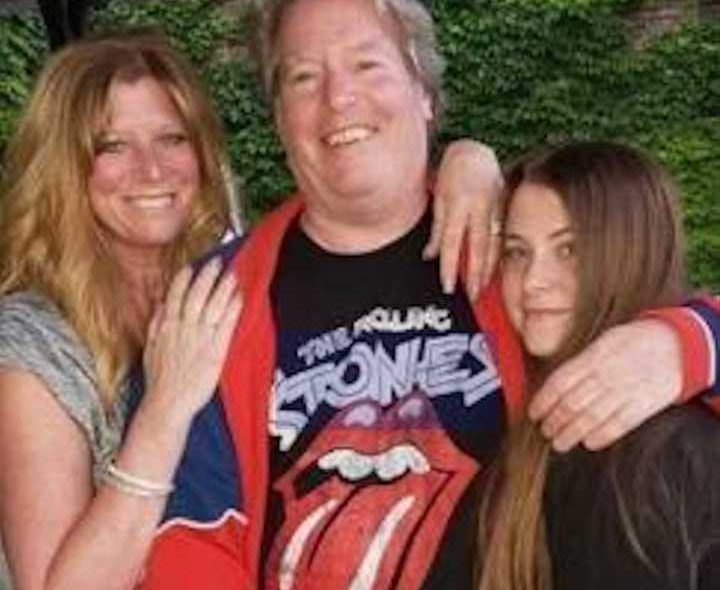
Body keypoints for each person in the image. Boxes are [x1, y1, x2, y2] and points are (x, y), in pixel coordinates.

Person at [138, 0, 720, 590]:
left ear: (422, 89)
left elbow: (637, 299)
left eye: (366, 64)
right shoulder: (215, 297)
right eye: (303, 78)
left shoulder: (512, 237)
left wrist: (681, 343)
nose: (339, 99)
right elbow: (188, 531)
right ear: (279, 116)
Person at [0, 30, 501, 590]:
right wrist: (164, 410)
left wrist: (469, 161)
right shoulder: (33, 344)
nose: (152, 170)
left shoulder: (238, 278)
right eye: (112, 146)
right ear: (62, 166)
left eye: (172, 138)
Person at [478, 141, 720, 590]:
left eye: (569, 250)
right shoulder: (538, 411)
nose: (533, 281)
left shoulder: (659, 457)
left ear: (630, 253)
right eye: (516, 252)